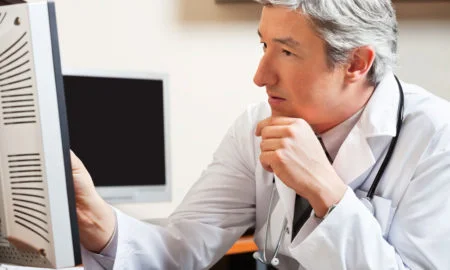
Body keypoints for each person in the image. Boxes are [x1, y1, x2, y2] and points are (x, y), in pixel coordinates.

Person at [74, 0, 450, 269]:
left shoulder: (436, 137)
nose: (260, 76)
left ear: (355, 63)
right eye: (264, 45)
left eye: (286, 52)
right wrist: (93, 218)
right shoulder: (256, 125)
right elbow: (181, 248)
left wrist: (326, 192)